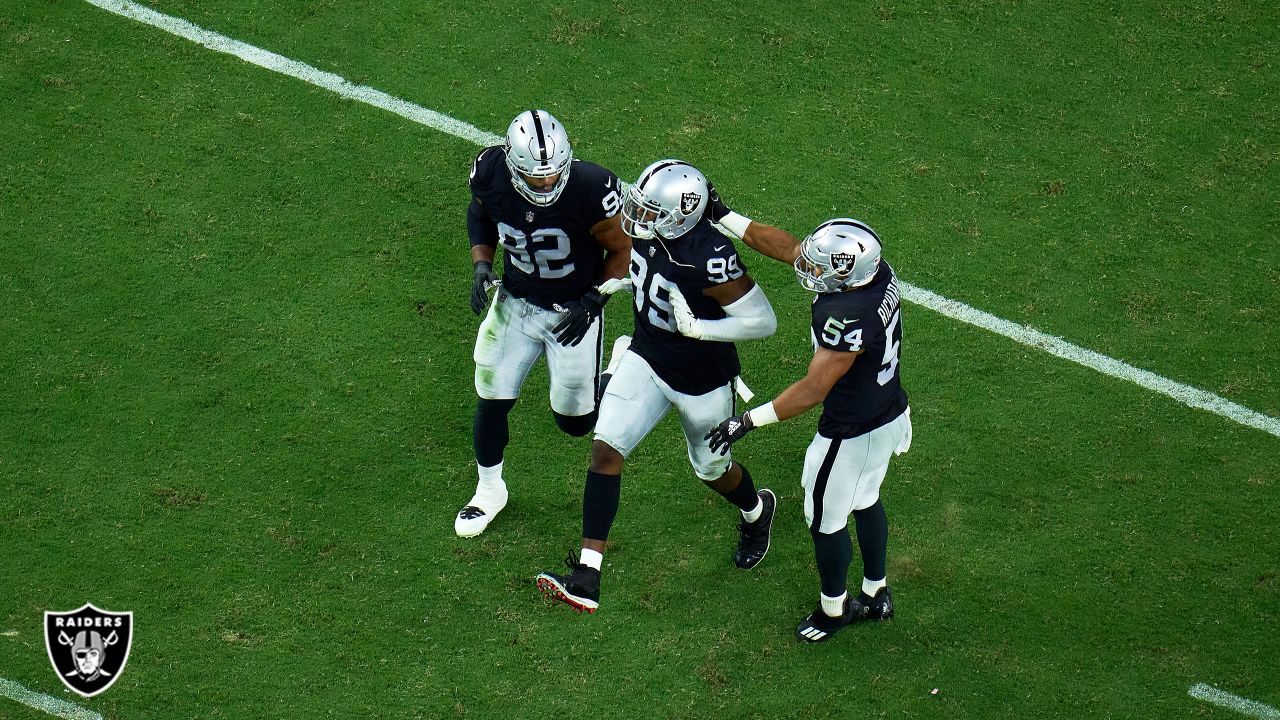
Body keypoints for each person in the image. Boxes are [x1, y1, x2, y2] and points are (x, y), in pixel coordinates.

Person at [536, 160, 779, 612]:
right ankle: (588, 575)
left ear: (682, 215)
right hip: (647, 358)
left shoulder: (709, 256)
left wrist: (700, 329)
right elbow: (643, 272)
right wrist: (599, 293)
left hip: (701, 381)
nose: (639, 218)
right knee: (606, 448)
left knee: (712, 470)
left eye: (652, 212)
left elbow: (763, 322)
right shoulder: (651, 234)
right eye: (642, 207)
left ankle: (756, 512)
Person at [704, 214, 912, 643]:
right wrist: (726, 217)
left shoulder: (847, 315)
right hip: (890, 412)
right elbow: (790, 250)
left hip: (851, 431)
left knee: (824, 521)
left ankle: (834, 609)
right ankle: (876, 591)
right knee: (867, 498)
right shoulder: (874, 275)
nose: (809, 270)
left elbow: (815, 387)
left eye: (820, 268)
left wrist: (747, 420)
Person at [456, 110, 631, 538]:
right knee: (492, 394)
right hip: (516, 300)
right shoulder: (490, 172)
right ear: (513, 166)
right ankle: (489, 489)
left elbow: (623, 251)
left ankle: (615, 370)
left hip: (572, 309)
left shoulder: (593, 189)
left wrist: (594, 299)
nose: (546, 185)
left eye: (553, 176)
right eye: (536, 179)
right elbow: (479, 215)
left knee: (574, 424)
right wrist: (482, 265)